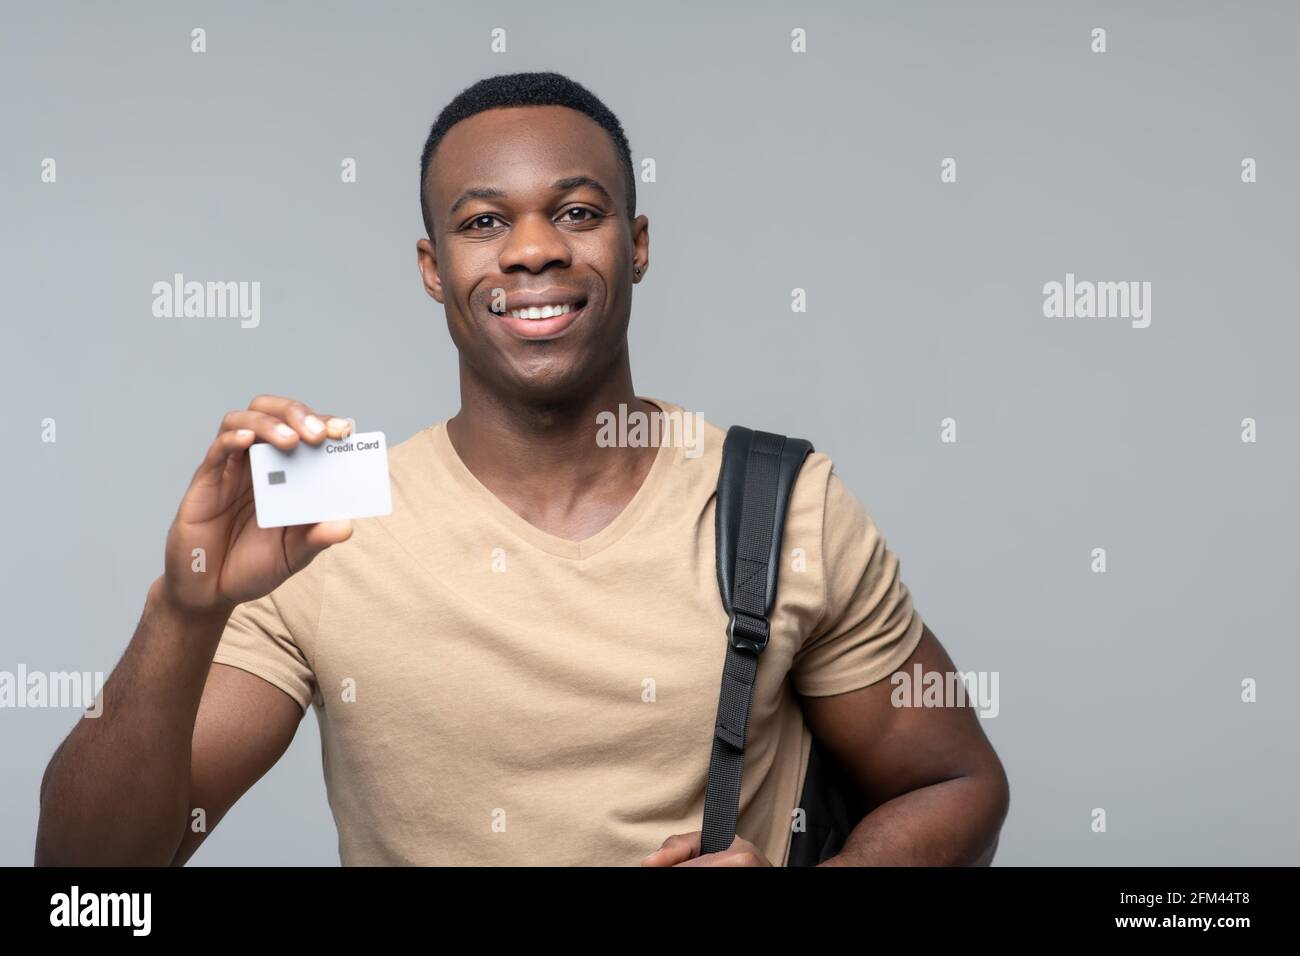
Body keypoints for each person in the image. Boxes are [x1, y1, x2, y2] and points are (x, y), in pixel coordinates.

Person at [35, 71, 1008, 867]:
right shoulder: (325, 520)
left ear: (634, 245)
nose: (535, 248)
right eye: (484, 222)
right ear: (432, 267)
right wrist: (186, 602)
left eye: (576, 210)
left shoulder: (777, 501)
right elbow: (88, 876)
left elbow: (954, 782)